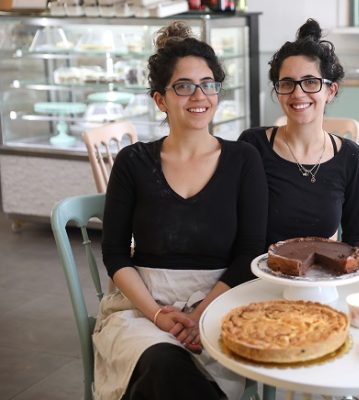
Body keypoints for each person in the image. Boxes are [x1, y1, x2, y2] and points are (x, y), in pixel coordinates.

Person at [93, 21, 268, 400]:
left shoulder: (243, 159)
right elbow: (115, 253)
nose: (199, 96)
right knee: (162, 363)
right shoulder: (133, 162)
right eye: (184, 86)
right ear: (160, 99)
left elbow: (251, 251)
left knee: (162, 382)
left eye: (208, 84)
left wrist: (201, 313)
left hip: (221, 303)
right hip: (142, 307)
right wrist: (158, 314)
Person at [239, 18, 359, 250]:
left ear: (330, 91)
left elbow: (356, 236)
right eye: (287, 83)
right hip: (259, 269)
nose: (297, 93)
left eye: (310, 82)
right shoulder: (252, 146)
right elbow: (236, 228)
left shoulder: (350, 155)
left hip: (322, 271)